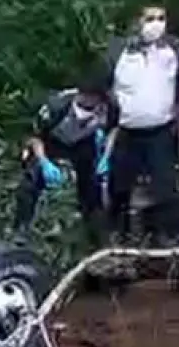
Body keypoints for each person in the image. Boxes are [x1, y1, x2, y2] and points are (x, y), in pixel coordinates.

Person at [104, 4, 179, 242]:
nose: (156, 24)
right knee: (119, 186)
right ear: (137, 20)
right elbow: (103, 86)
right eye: (150, 18)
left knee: (166, 186)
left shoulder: (175, 49)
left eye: (161, 18)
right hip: (127, 131)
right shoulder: (118, 51)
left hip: (161, 131)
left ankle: (167, 238)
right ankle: (118, 236)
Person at [13, 78, 115, 241]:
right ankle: (21, 228)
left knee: (91, 186)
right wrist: (44, 162)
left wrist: (106, 155)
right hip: (52, 142)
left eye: (94, 99)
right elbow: (34, 137)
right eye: (86, 98)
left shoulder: (107, 108)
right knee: (30, 182)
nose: (90, 102)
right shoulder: (57, 105)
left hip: (83, 143)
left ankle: (94, 232)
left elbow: (113, 131)